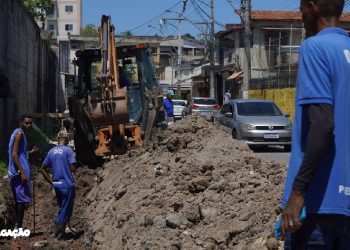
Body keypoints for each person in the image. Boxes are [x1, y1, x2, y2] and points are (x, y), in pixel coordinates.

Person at [280, 0, 350, 249]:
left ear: (313, 8)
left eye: (301, 10)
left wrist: (298, 193)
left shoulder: (315, 48)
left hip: (319, 204)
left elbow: (322, 126)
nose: (301, 16)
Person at [40, 131, 76, 239]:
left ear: (58, 138)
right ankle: (57, 229)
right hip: (67, 184)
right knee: (67, 208)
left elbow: (42, 168)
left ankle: (61, 232)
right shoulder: (68, 150)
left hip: (56, 184)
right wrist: (74, 169)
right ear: (66, 139)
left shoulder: (51, 151)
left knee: (62, 207)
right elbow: (72, 167)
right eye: (69, 138)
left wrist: (51, 182)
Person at [8, 114, 37, 229]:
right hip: (19, 172)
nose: (29, 125)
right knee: (21, 200)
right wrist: (22, 172)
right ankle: (18, 227)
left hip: (17, 170)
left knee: (19, 199)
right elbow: (14, 154)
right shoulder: (19, 134)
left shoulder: (18, 133)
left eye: (30, 123)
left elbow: (19, 153)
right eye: (26, 123)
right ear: (21, 122)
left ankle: (17, 226)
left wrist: (30, 152)